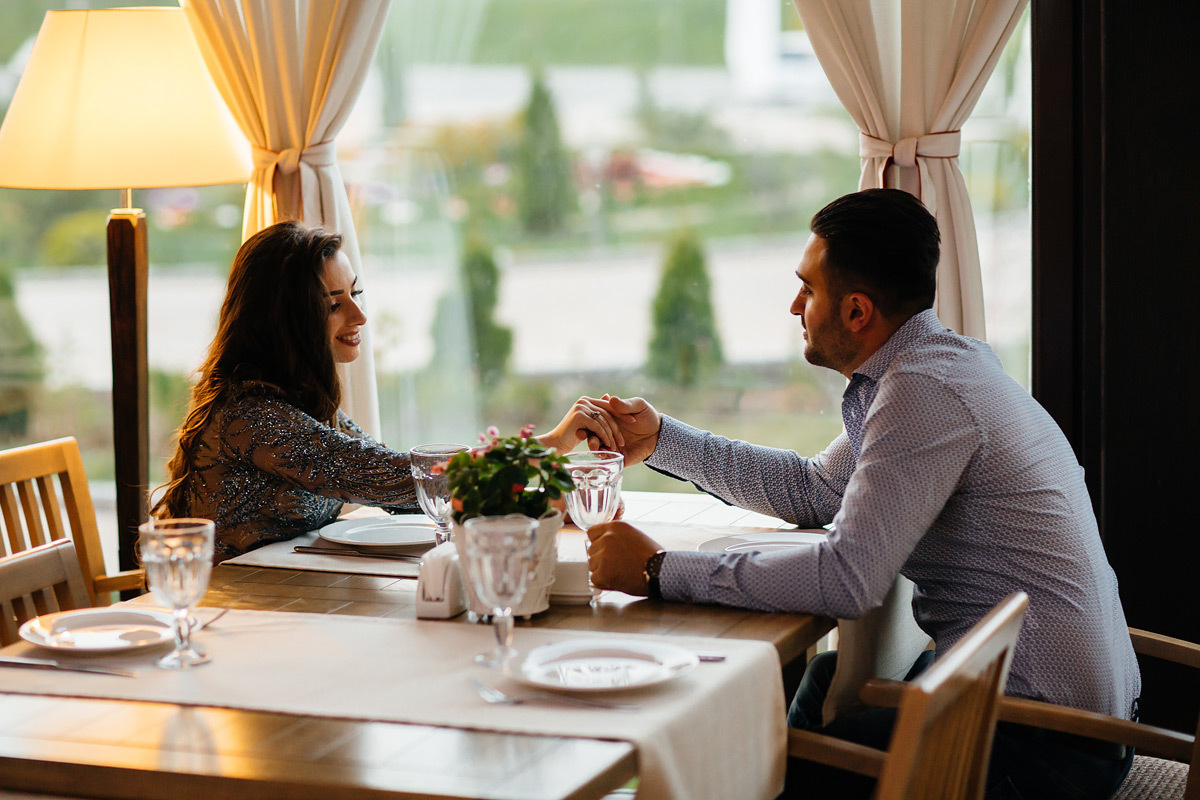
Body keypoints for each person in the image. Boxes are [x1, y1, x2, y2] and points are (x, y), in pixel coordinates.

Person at [584, 190, 1139, 799]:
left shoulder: (924, 394)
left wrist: (658, 569)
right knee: (822, 681)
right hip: (1053, 714)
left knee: (748, 758)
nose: (794, 305)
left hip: (1048, 745)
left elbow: (847, 579)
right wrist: (662, 439)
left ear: (855, 312)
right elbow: (813, 488)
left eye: (807, 289)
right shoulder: (930, 367)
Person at [154, 220, 618, 562]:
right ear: (283, 323)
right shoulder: (253, 417)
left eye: (356, 295)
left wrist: (537, 497)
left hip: (292, 598)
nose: (358, 317)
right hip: (232, 619)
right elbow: (398, 477)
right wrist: (549, 449)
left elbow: (403, 486)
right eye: (335, 305)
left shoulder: (304, 403)